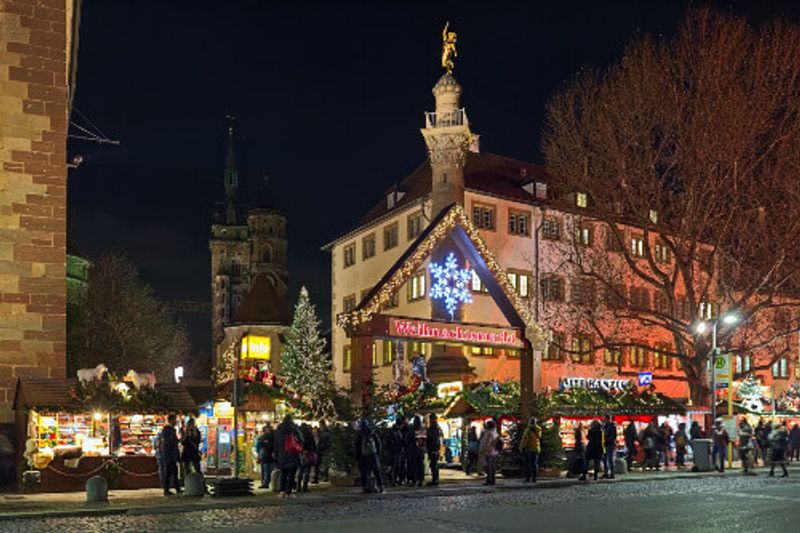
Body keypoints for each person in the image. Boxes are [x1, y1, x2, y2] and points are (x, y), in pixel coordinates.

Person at [275, 414, 303, 497]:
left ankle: (282, 491)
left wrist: (277, 454)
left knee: (283, 473)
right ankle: (289, 492)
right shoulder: (294, 428)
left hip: (282, 454)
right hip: (293, 453)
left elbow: (275, 443)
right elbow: (302, 439)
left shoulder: (279, 429)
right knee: (291, 474)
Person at [354, 418, 384, 493]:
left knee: (364, 473)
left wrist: (357, 458)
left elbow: (357, 447)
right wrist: (378, 454)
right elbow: (378, 444)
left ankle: (365, 488)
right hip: (373, 456)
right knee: (377, 472)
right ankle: (380, 487)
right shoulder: (373, 433)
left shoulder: (359, 435)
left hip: (364, 457)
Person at [160, 414, 181, 496]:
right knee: (170, 471)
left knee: (172, 471)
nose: (176, 421)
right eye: (175, 420)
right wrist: (177, 441)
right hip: (169, 454)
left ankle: (174, 488)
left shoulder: (170, 430)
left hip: (170, 453)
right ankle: (169, 489)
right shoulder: (168, 430)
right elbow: (170, 442)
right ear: (171, 420)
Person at [519, 417, 542, 483]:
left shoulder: (528, 430)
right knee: (534, 464)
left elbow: (525, 440)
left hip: (529, 449)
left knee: (528, 464)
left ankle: (528, 478)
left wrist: (522, 447)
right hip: (536, 448)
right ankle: (534, 478)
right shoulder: (538, 429)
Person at [295, 423, 317, 493]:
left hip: (301, 453)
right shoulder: (309, 435)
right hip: (309, 453)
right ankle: (305, 487)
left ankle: (298, 487)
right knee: (307, 471)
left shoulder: (299, 436)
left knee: (300, 470)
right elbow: (313, 445)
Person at [255, 424, 276, 489]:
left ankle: (265, 483)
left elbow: (257, 447)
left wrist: (259, 453)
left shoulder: (261, 437)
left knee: (265, 470)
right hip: (273, 456)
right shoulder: (275, 437)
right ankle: (273, 482)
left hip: (265, 455)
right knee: (273, 470)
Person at [479, 419, 499, 485]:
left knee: (488, 467)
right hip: (494, 451)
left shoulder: (489, 433)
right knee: (492, 467)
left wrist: (482, 450)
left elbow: (487, 443)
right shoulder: (495, 433)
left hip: (489, 451)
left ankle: (489, 480)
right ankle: (492, 480)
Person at [426, 414, 443, 486]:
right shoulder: (437, 427)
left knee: (434, 465)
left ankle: (435, 480)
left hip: (433, 448)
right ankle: (435, 479)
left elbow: (432, 439)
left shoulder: (433, 428)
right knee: (434, 464)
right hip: (434, 448)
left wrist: (433, 448)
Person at [388, 420, 406, 486]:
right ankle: (393, 480)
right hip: (395, 451)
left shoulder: (397, 431)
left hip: (399, 451)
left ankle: (395, 480)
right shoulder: (394, 432)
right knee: (394, 466)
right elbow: (391, 442)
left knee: (397, 466)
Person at [601, 415, 617, 479]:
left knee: (610, 459)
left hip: (610, 445)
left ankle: (612, 473)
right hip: (604, 445)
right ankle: (606, 473)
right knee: (604, 459)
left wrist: (607, 441)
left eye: (604, 418)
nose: (603, 419)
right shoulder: (604, 426)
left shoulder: (612, 426)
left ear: (608, 419)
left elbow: (613, 436)